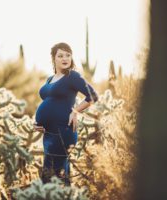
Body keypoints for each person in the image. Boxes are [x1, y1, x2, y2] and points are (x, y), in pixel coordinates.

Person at [34, 42, 98, 186]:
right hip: (48, 134)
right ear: (54, 58)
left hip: (63, 131)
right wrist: (38, 123)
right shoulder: (49, 79)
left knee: (55, 176)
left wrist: (75, 111)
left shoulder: (73, 76)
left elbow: (93, 96)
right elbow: (50, 102)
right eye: (60, 55)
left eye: (68, 55)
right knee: (56, 174)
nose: (65, 58)